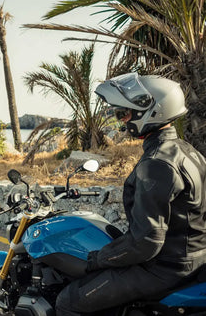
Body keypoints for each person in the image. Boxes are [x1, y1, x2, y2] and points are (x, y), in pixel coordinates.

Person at [56, 73, 206, 315]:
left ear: (152, 111)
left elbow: (146, 241)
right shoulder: (187, 151)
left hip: (163, 267)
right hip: (194, 257)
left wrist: (97, 259)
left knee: (68, 301)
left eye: (125, 113)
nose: (123, 120)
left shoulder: (157, 163)